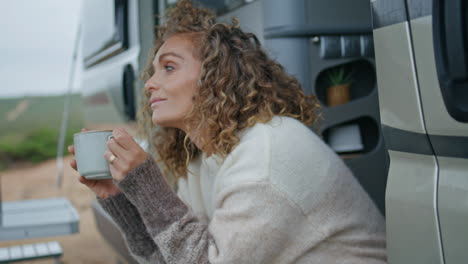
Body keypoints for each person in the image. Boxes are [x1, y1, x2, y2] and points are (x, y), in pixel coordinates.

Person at [69, 1, 387, 263]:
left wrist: (148, 185)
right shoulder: (200, 160)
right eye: (153, 72)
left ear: (215, 76)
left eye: (168, 67)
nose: (150, 83)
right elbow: (169, 257)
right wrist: (118, 196)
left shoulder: (265, 158)